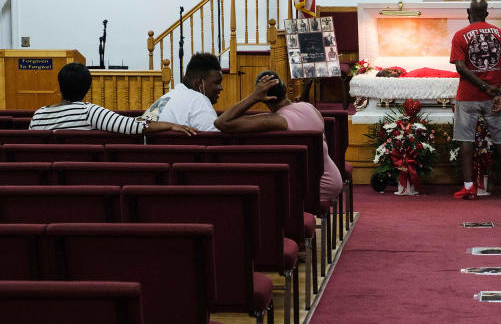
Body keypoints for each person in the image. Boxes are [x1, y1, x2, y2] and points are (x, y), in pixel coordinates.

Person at [213, 70, 343, 202]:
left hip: (314, 188)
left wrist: (253, 97)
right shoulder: (310, 107)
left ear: (264, 99)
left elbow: (221, 122)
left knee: (255, 193)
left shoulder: (278, 121)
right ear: (285, 89)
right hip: (331, 179)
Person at [449, 0, 501, 199]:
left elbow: (461, 67)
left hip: (469, 96)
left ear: (468, 13)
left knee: (466, 140)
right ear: (487, 14)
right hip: (495, 98)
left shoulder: (460, 35)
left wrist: (484, 87)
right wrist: (499, 91)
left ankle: (469, 186)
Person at [29, 63, 196, 136]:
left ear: (60, 87)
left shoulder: (38, 115)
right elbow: (133, 126)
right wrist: (171, 124)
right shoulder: (88, 112)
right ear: (87, 90)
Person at [143, 53, 223, 131]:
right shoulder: (200, 101)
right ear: (199, 83)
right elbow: (215, 141)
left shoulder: (165, 98)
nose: (221, 88)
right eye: (217, 82)